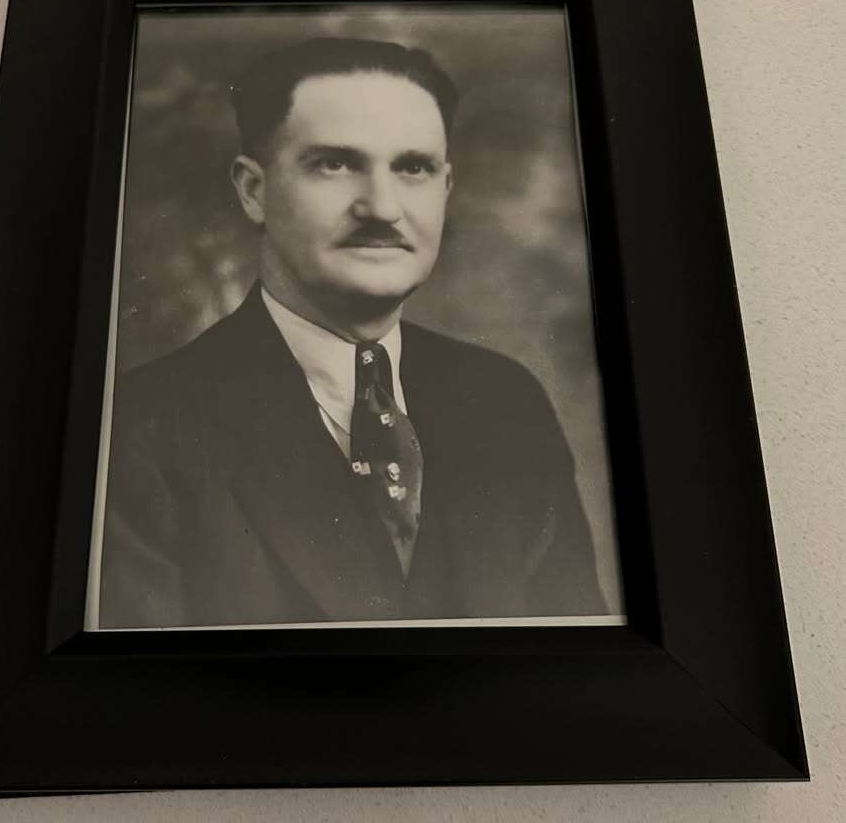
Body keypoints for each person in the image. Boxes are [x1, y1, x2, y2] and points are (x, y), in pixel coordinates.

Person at [99, 37, 606, 628]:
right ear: (253, 190)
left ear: (445, 189)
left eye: (413, 168)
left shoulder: (507, 401)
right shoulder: (140, 428)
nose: (382, 207)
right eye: (334, 164)